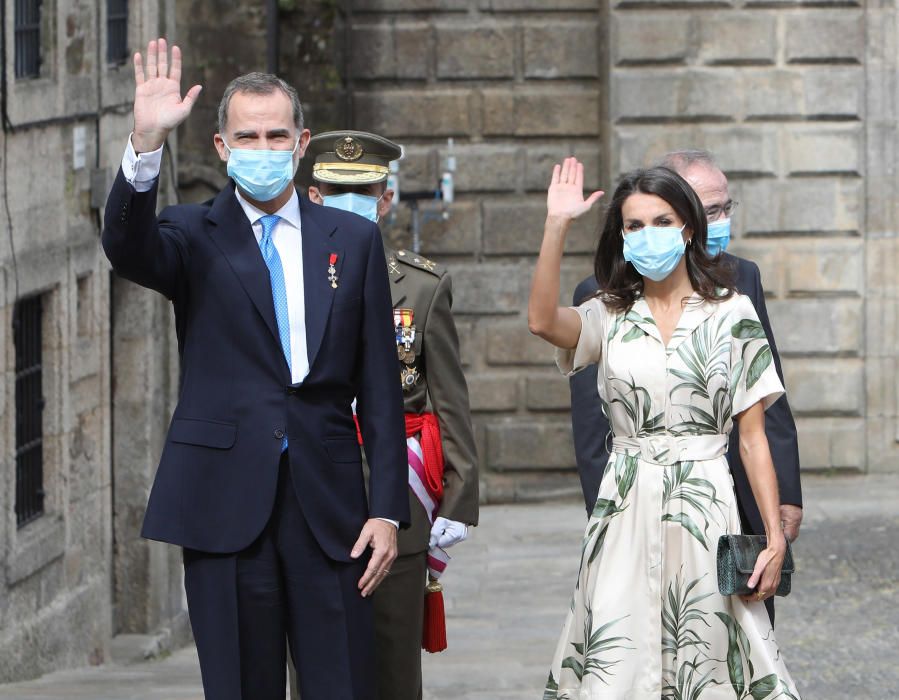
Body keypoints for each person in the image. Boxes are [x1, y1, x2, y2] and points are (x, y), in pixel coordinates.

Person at [101, 39, 409, 700]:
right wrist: (146, 141)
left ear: (301, 144)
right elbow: (125, 247)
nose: (262, 148)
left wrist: (385, 508)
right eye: (247, 136)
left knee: (344, 685)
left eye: (276, 135)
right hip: (222, 506)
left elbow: (380, 389)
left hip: (330, 514)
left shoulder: (351, 241)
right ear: (220, 146)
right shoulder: (189, 233)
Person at [530, 158, 801, 698]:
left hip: (707, 505)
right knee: (616, 655)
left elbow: (752, 437)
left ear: (689, 228)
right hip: (625, 507)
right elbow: (542, 322)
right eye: (633, 225)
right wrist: (556, 224)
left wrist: (772, 537)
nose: (646, 234)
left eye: (662, 220)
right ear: (620, 235)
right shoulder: (607, 313)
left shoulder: (733, 313)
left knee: (713, 655)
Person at [303, 130, 480, 700]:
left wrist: (459, 497)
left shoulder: (421, 287)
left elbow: (449, 400)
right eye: (336, 189)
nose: (351, 201)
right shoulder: (285, 276)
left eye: (367, 190)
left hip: (397, 497)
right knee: (313, 667)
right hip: (311, 490)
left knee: (393, 670)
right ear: (313, 195)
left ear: (384, 199)